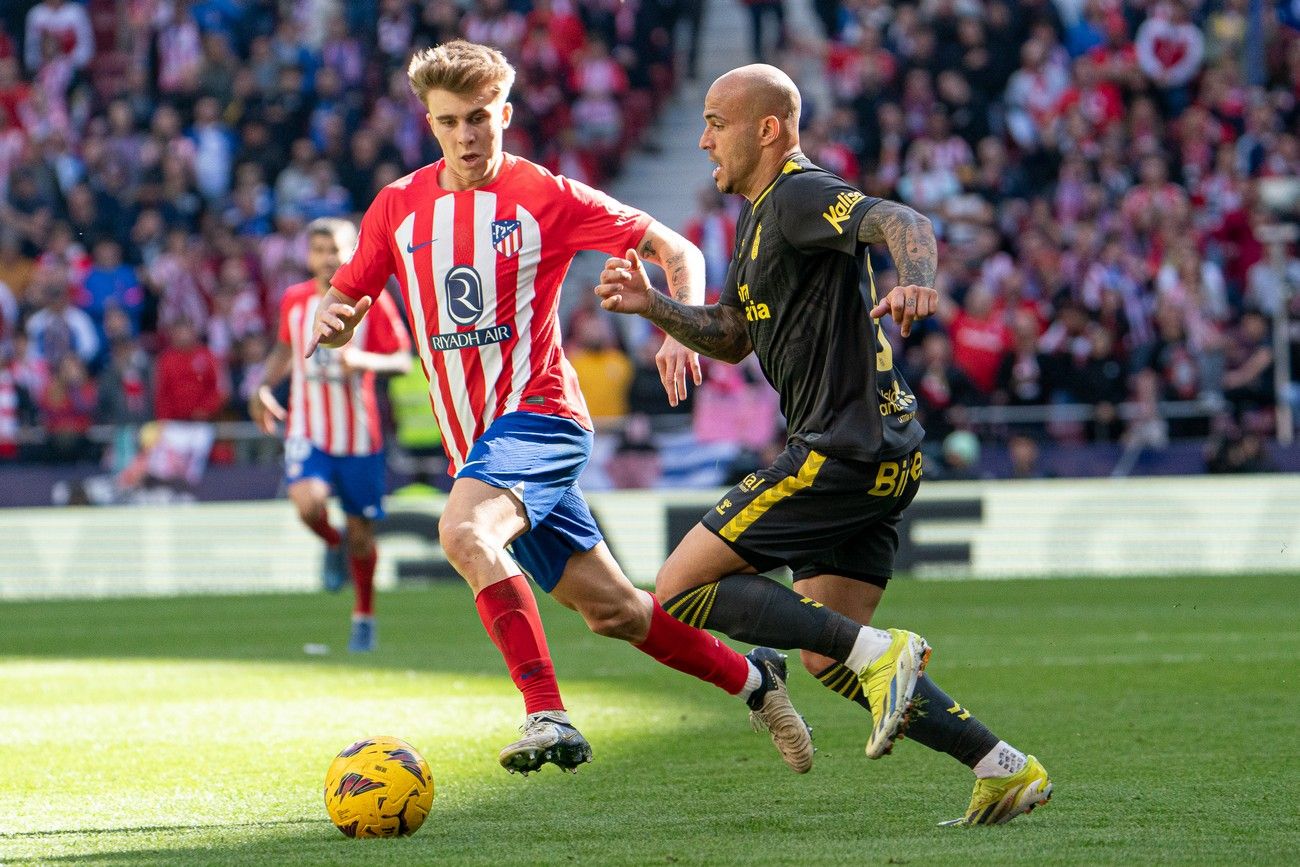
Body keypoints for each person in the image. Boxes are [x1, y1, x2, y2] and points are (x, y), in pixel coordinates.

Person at [304, 40, 811, 776]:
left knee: (464, 529)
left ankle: (545, 710)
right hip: (480, 450)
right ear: (430, 123)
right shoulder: (397, 209)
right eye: (450, 122)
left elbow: (676, 247)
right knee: (617, 611)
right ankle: (756, 680)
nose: (468, 136)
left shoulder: (546, 195)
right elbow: (346, 294)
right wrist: (335, 319)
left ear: (504, 114)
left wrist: (679, 326)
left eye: (480, 118)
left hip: (541, 417)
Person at [597, 63, 1053, 827]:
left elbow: (903, 222)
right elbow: (736, 337)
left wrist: (916, 280)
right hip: (886, 455)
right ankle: (1000, 765)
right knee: (826, 654)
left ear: (767, 129)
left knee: (677, 590)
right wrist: (656, 306)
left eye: (717, 120)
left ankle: (884, 651)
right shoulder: (760, 217)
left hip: (838, 450)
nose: (705, 137)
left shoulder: (801, 193)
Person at [250, 217, 413, 652]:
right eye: (319, 249)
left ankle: (364, 616)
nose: (328, 258)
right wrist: (264, 387)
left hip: (359, 437)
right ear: (308, 256)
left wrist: (364, 362)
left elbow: (402, 359)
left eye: (336, 249)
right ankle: (331, 542)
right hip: (308, 428)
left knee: (364, 535)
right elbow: (285, 349)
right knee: (307, 505)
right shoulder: (295, 300)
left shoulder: (371, 301)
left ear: (352, 252)